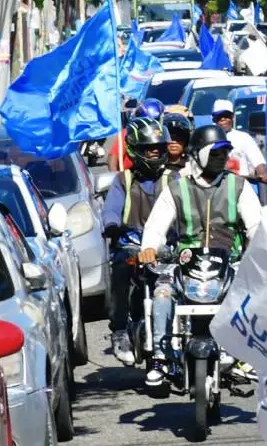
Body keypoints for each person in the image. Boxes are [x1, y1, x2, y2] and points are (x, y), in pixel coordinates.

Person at [139, 127, 262, 387]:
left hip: (229, 263)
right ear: (197, 155)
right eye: (215, 152)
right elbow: (155, 227)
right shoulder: (176, 188)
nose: (222, 157)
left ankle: (246, 354)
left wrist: (259, 248)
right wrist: (150, 246)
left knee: (254, 290)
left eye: (225, 152)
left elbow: (256, 227)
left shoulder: (239, 186)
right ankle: (161, 358)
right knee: (161, 292)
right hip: (184, 265)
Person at [101, 117, 172, 364]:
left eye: (159, 148)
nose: (155, 152)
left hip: (165, 246)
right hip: (131, 243)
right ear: (135, 150)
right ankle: (119, 330)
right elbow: (111, 208)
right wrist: (111, 225)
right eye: (148, 148)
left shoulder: (174, 179)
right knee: (120, 267)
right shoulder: (124, 179)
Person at [209, 100, 267, 183]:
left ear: (233, 117)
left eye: (226, 116)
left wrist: (262, 172)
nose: (223, 119)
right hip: (218, 185)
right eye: (219, 116)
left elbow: (258, 161)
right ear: (214, 119)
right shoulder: (209, 138)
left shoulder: (243, 137)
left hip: (244, 184)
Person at [161, 112, 193, 183]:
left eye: (179, 136)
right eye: (170, 136)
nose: (174, 141)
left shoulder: (192, 166)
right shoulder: (157, 166)